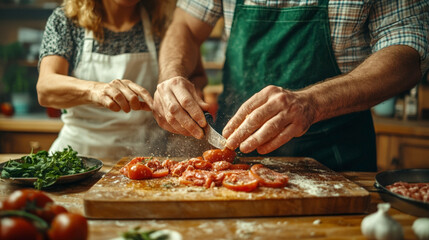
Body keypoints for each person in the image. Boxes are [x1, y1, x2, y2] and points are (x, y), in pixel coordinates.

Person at [152, 0, 429, 171]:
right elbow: (184, 26)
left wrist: (313, 103)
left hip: (339, 157)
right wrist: (171, 74)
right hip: (237, 158)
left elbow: (407, 52)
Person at [37, 0, 172, 160]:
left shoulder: (163, 21)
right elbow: (45, 89)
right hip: (77, 156)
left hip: (146, 159)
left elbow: (196, 77)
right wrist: (94, 90)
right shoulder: (67, 20)